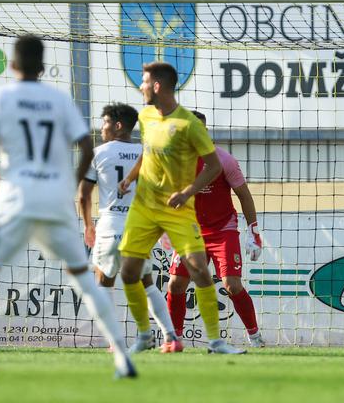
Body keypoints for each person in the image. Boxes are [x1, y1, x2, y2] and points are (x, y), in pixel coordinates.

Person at [0, 35, 136, 381]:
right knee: (86, 279)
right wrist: (67, 185)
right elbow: (87, 147)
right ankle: (123, 359)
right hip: (55, 198)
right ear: (42, 67)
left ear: (12, 65)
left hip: (16, 194)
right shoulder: (58, 98)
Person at [117, 62, 245, 354]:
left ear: (158, 86)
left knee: (199, 271)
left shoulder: (189, 124)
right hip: (145, 207)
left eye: (145, 82)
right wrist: (130, 178)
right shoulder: (146, 116)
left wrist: (188, 191)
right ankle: (148, 336)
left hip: (179, 210)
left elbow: (212, 166)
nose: (141, 87)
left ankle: (216, 342)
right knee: (128, 271)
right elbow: (147, 153)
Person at [78, 103, 177, 353]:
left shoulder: (98, 153)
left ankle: (115, 342)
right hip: (140, 225)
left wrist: (88, 224)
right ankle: (170, 336)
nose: (102, 128)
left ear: (118, 125)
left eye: (105, 122)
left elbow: (83, 195)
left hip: (111, 223)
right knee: (147, 283)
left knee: (103, 282)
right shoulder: (148, 152)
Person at [166, 110, 265, 350]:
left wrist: (254, 232)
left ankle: (255, 336)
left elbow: (244, 195)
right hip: (191, 232)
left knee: (232, 285)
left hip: (223, 230)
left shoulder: (224, 160)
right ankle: (174, 339)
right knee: (176, 284)